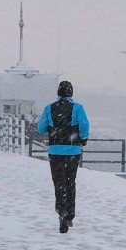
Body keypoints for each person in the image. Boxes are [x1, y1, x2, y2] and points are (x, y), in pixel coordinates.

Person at [37, 80, 90, 233]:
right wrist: (83, 139)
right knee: (70, 182)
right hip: (72, 151)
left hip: (55, 151)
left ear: (58, 93)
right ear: (71, 92)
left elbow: (41, 129)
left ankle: (61, 211)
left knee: (58, 183)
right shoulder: (78, 108)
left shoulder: (49, 108)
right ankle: (70, 215)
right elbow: (84, 126)